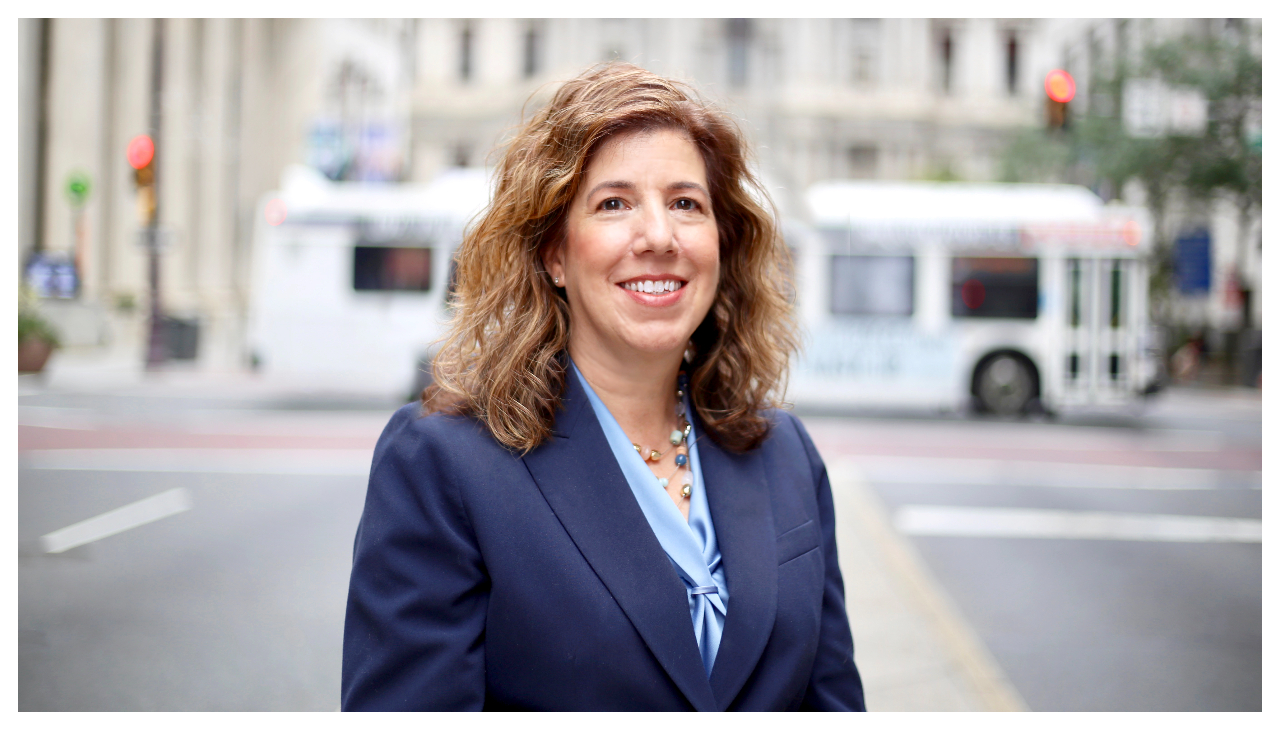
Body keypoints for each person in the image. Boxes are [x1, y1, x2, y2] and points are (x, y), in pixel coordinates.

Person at [341, 62, 865, 711]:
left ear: (722, 243)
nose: (659, 236)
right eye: (614, 203)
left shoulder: (786, 456)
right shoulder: (445, 463)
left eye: (686, 204)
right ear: (554, 253)